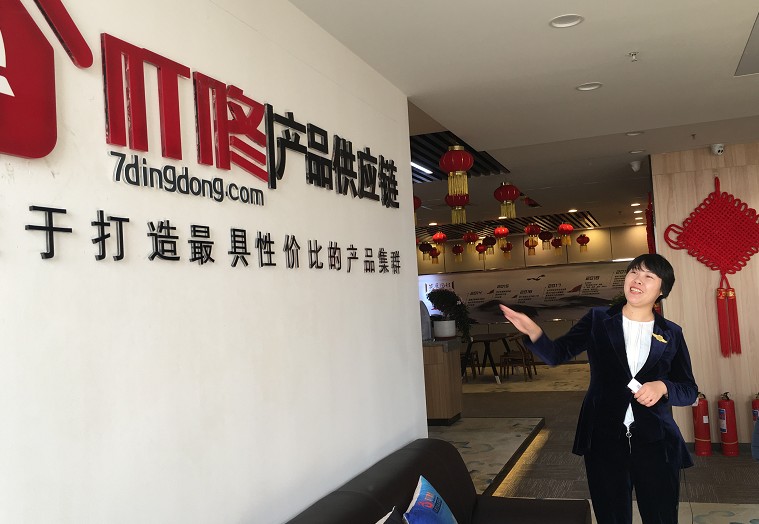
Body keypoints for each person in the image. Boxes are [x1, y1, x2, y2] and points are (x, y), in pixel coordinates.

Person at [500, 253, 697, 524]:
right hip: (604, 438)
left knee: (661, 516)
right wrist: (534, 333)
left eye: (648, 276)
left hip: (656, 441)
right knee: (611, 516)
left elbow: (688, 390)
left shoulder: (671, 332)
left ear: (662, 290)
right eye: (633, 272)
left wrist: (662, 386)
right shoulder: (598, 319)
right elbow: (557, 353)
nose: (637, 280)